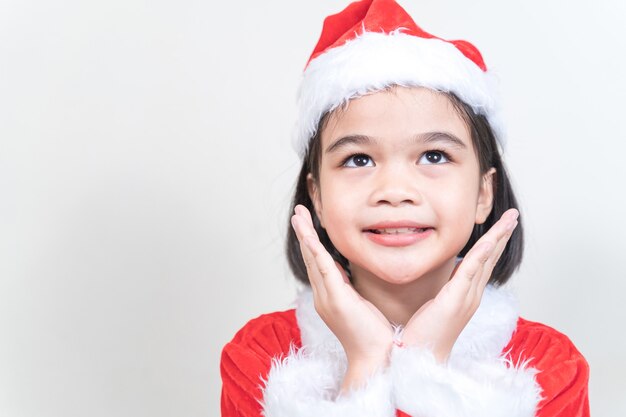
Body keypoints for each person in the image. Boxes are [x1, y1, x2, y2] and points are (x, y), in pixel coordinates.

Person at [220, 0, 590, 416]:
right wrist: (365, 369)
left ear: (484, 193)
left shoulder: (549, 368)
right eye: (358, 159)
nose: (395, 191)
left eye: (434, 156)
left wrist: (425, 372)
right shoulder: (260, 358)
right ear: (317, 197)